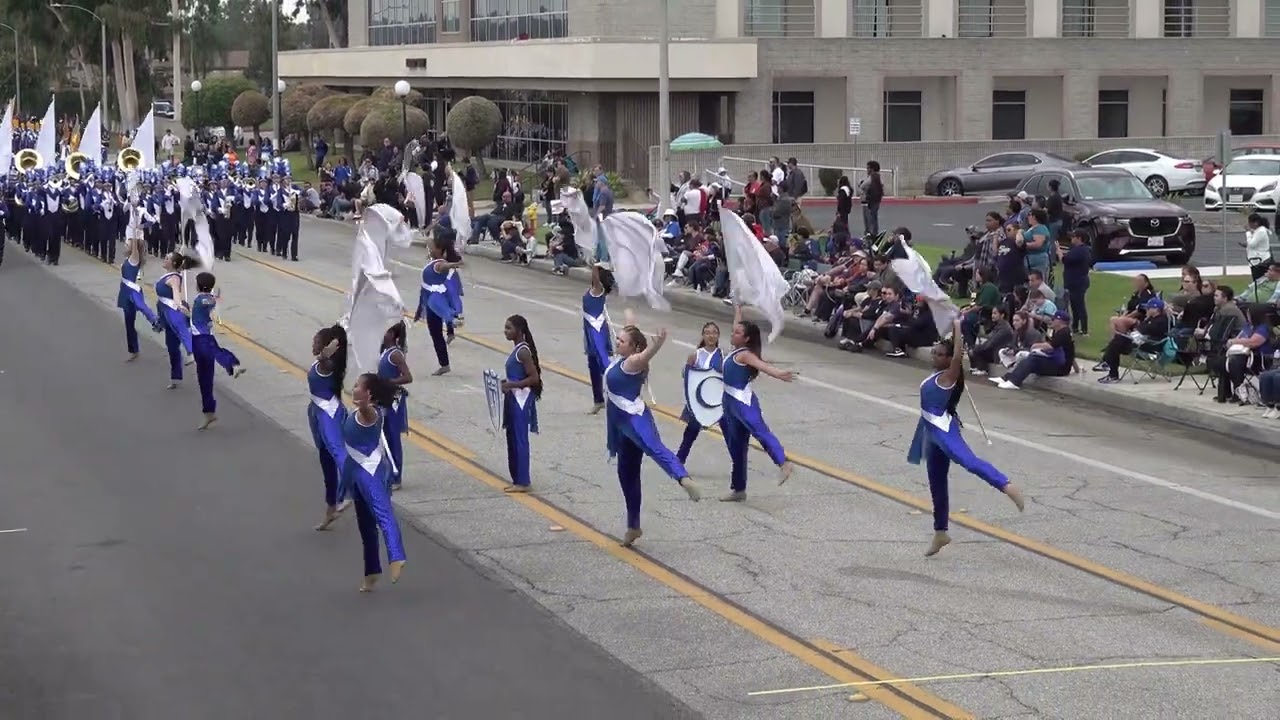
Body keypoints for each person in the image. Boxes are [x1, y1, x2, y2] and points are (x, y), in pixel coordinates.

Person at [908, 318, 1025, 556]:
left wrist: (958, 328)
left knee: (968, 461)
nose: (934, 356)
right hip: (931, 434)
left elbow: (958, 354)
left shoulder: (948, 377)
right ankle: (940, 532)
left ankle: (1007, 485)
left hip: (943, 430)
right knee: (937, 485)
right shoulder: (936, 377)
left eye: (940, 354)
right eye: (934, 352)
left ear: (949, 359)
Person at [599, 324, 701, 547]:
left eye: (621, 341)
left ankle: (683, 478)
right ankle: (633, 526)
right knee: (627, 474)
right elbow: (631, 332)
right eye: (617, 339)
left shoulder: (633, 362)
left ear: (633, 347)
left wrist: (658, 344)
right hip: (620, 425)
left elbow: (645, 355)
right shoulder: (622, 358)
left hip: (632, 418)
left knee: (654, 447)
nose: (617, 342)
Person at [719, 305, 795, 502]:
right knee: (737, 448)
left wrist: (780, 374)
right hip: (729, 403)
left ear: (746, 339)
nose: (733, 333)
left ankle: (783, 462)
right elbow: (737, 323)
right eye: (733, 331)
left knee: (760, 431)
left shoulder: (744, 354)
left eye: (737, 333)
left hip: (742, 401)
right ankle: (739, 489)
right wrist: (737, 307)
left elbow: (764, 367)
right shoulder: (736, 349)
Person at [343, 373, 407, 592]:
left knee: (383, 513)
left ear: (369, 394)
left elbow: (367, 413)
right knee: (365, 526)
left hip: (371, 472)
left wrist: (363, 407)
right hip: (356, 474)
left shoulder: (370, 414)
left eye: (357, 386)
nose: (353, 388)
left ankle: (397, 556)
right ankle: (372, 571)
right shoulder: (363, 411)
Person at [189, 272, 246, 429]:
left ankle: (233, 366)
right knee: (204, 379)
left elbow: (209, 301)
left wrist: (213, 296)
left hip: (202, 338)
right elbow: (205, 306)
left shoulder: (202, 299)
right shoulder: (203, 299)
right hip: (197, 339)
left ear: (199, 285)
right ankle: (209, 412)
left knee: (215, 353)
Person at [309, 325, 351, 531]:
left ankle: (350, 490)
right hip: (317, 412)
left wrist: (326, 354)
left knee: (337, 451)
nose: (312, 344)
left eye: (315, 341)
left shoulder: (327, 364)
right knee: (326, 461)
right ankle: (331, 509)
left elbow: (326, 363)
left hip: (328, 414)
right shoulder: (325, 362)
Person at [501, 315, 543, 493]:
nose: (505, 331)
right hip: (513, 396)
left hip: (521, 399)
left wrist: (512, 384)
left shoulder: (523, 351)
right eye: (505, 327)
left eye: (509, 328)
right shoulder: (517, 349)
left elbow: (534, 378)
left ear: (518, 330)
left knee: (520, 439)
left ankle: (523, 481)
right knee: (512, 438)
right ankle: (516, 477)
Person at [414, 235, 464, 375]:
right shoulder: (434, 261)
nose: (428, 249)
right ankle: (444, 363)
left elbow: (444, 266)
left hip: (434, 301)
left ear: (439, 249)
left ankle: (444, 364)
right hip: (432, 299)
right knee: (435, 333)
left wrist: (455, 264)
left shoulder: (439, 264)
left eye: (431, 247)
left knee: (435, 333)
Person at [676, 322, 723, 464]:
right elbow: (686, 375)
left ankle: (739, 462)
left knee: (730, 431)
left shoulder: (722, 356)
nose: (711, 335)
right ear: (703, 335)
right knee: (691, 431)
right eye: (708, 332)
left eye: (714, 332)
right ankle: (679, 459)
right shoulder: (695, 355)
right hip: (699, 401)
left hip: (717, 402)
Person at [154, 252, 200, 389]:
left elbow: (176, 293)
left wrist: (179, 305)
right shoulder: (173, 273)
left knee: (182, 331)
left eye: (167, 258)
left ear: (173, 264)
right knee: (172, 346)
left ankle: (192, 353)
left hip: (172, 310)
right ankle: (176, 377)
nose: (164, 259)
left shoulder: (174, 278)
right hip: (164, 312)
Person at [376, 321, 413, 492]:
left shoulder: (395, 354)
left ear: (391, 334)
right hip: (384, 397)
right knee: (384, 437)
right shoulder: (383, 351)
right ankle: (388, 471)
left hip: (394, 400)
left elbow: (407, 377)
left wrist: (389, 382)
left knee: (393, 437)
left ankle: (396, 476)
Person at [117, 229, 160, 361]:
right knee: (129, 323)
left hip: (132, 290)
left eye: (128, 243)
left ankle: (155, 321)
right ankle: (133, 349)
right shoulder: (128, 258)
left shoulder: (134, 258)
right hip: (125, 291)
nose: (126, 244)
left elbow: (135, 244)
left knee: (141, 306)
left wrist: (135, 221)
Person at [583, 263, 615, 413]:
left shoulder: (598, 291)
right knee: (593, 369)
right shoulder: (594, 291)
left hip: (597, 333)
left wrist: (596, 264)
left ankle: (618, 396)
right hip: (590, 332)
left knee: (604, 366)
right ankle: (598, 400)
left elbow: (595, 276)